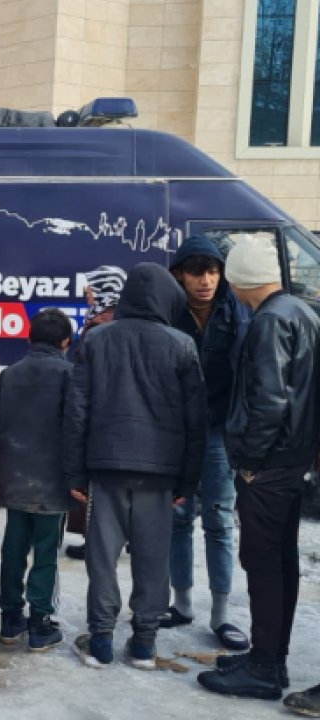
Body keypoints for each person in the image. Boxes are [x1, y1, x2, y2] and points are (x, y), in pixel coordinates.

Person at [65, 263, 207, 670]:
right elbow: (195, 421)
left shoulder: (98, 339)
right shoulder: (182, 345)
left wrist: (75, 472)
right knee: (152, 559)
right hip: (160, 473)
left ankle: (102, 640)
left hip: (106, 467)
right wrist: (188, 479)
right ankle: (144, 645)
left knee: (102, 558)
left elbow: (78, 412)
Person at [198, 236, 320, 703]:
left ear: (238, 279)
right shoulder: (302, 311)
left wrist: (248, 461)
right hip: (293, 459)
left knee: (263, 563)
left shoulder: (267, 321)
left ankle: (265, 667)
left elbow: (268, 401)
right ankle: (272, 656)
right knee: (282, 562)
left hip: (268, 466)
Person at [162, 235, 251, 650]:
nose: (206, 280)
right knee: (179, 519)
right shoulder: (168, 313)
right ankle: (180, 605)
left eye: (213, 271)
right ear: (179, 274)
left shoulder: (237, 315)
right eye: (197, 271)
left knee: (218, 520)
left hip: (219, 431)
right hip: (177, 431)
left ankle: (221, 615)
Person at [0, 308, 76, 652]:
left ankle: (10, 617)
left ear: (28, 338)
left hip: (12, 478)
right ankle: (40, 622)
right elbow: (74, 431)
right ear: (66, 341)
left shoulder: (8, 376)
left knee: (13, 546)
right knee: (46, 552)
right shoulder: (71, 375)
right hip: (53, 482)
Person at [65, 263, 129, 560]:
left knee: (98, 487)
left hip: (99, 413)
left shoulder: (104, 324)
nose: (86, 292)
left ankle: (100, 542)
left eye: (91, 286)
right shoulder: (109, 318)